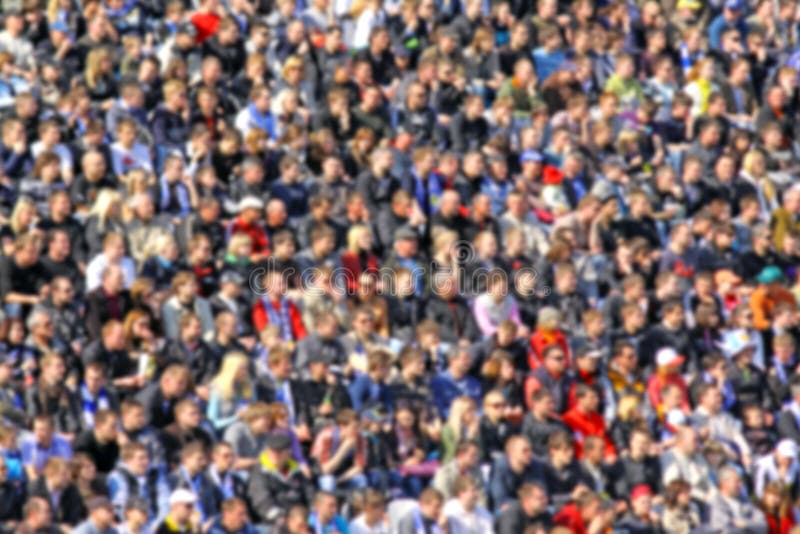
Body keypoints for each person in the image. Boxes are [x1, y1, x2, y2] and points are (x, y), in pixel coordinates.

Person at [708, 466, 767, 532]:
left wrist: (745, 524)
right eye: (737, 481)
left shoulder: (745, 501)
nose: (740, 484)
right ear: (724, 483)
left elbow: (763, 525)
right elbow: (722, 529)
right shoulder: (714, 504)